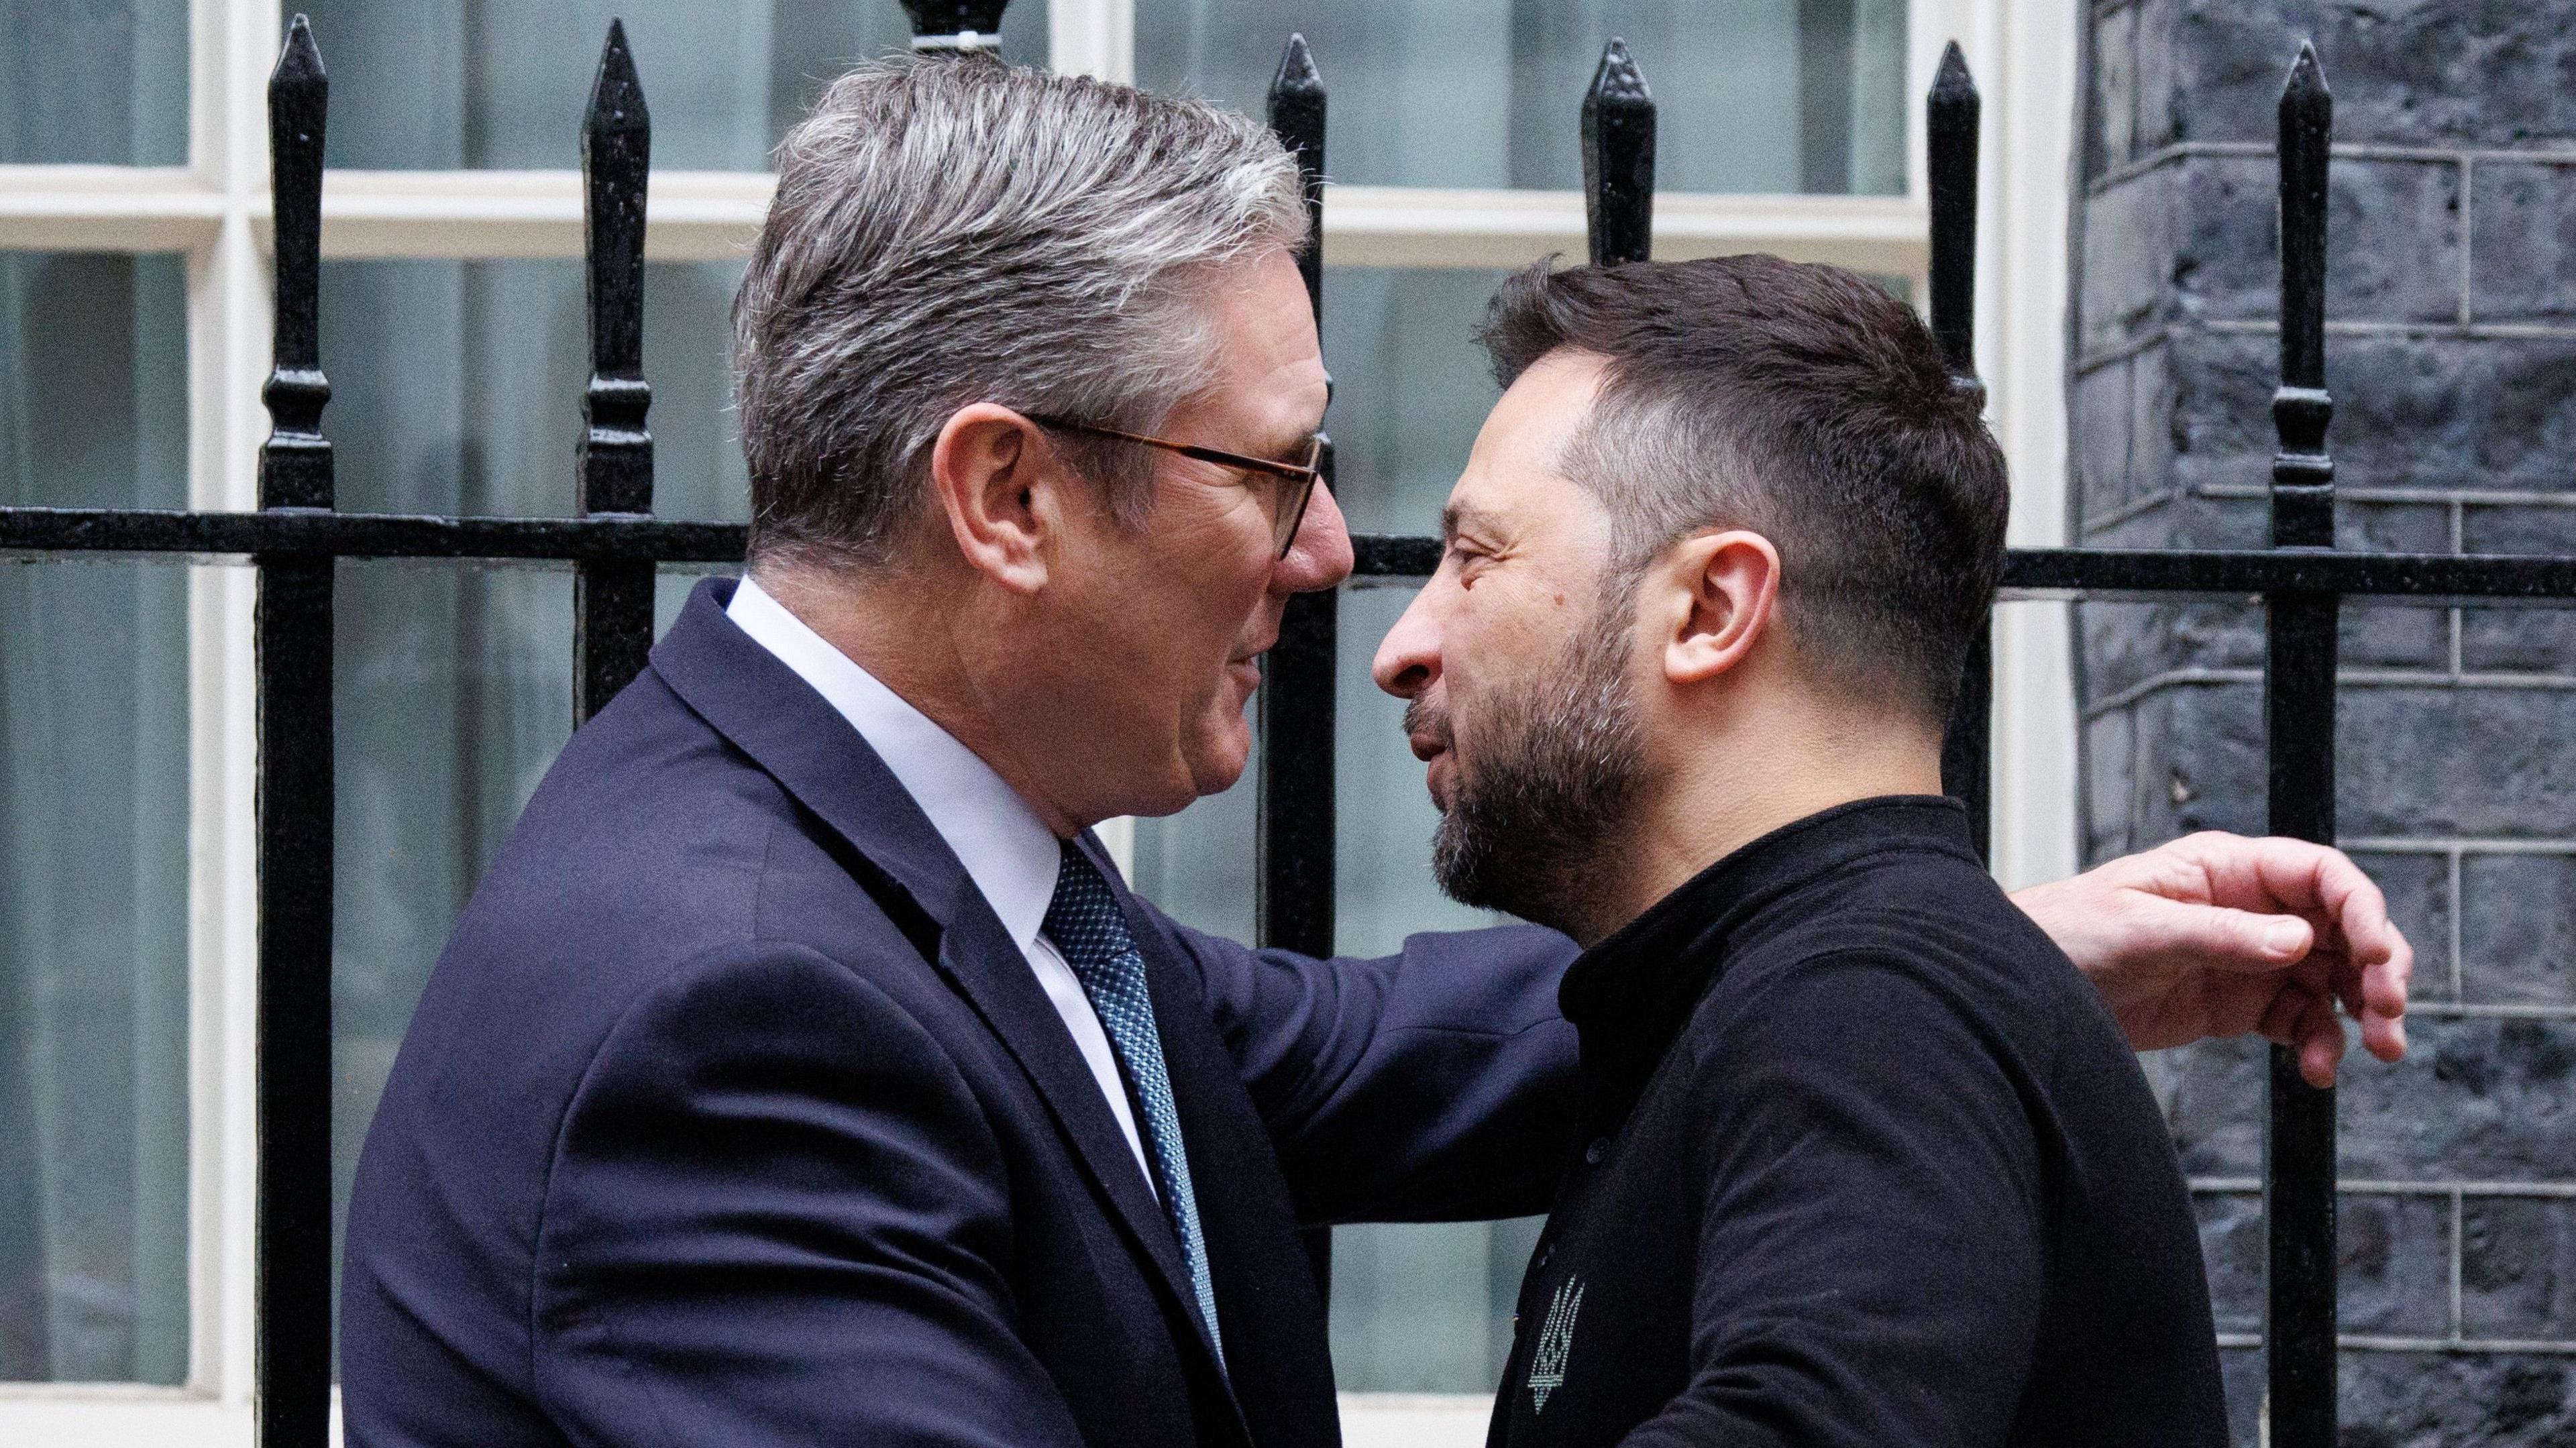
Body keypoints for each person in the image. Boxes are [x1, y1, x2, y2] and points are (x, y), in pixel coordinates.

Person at [339, 59, 2408, 1448]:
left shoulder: (920, 886)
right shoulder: (740, 1009)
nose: (1339, 563)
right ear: (1007, 498)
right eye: (1275, 468)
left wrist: (1949, 972)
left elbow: (1365, 1054)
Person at [1375, 254, 2247, 1447]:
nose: (1405, 645)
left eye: (1476, 558)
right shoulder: (1818, 997)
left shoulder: (1865, 1011)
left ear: (1711, 610)